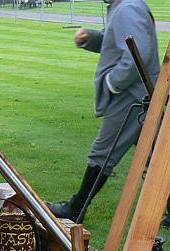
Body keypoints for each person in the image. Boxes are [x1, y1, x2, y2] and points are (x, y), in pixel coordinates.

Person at [48, 0, 159, 223]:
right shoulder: (125, 6)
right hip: (141, 93)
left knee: (103, 153)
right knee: (157, 153)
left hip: (131, 95)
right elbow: (118, 42)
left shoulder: (128, 8)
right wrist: (90, 38)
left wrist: (112, 83)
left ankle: (76, 208)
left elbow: (139, 53)